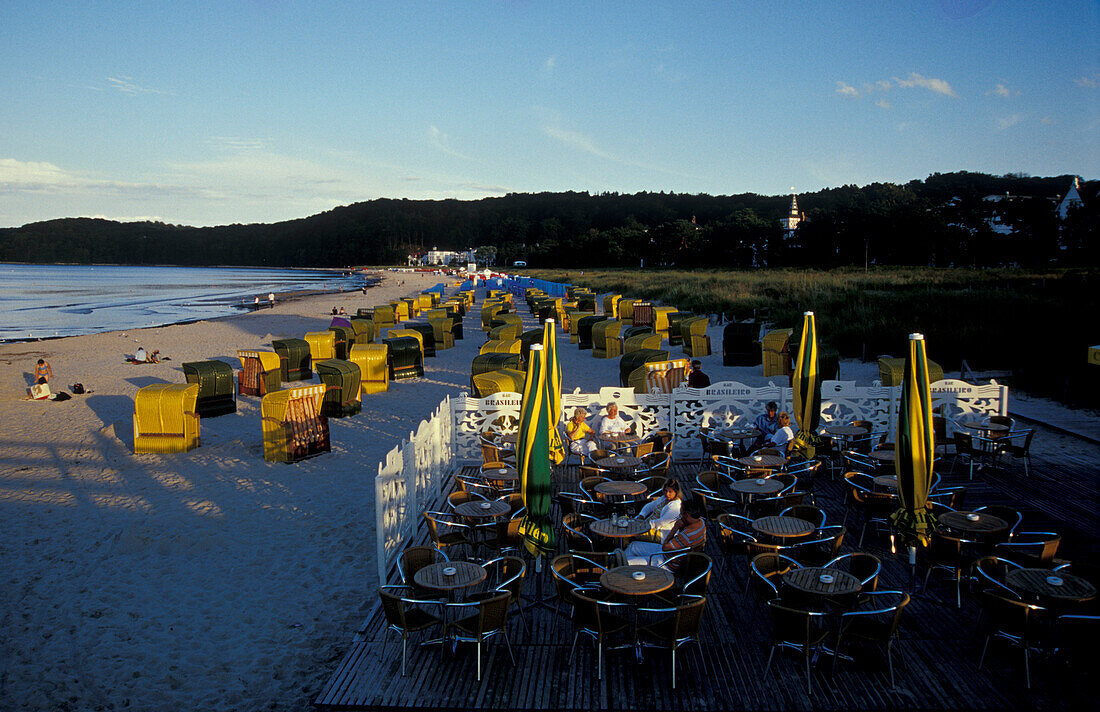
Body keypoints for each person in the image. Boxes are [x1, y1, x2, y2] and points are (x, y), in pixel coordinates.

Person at [625, 496, 706, 566]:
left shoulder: (686, 535)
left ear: (687, 515)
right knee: (633, 546)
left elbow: (665, 547)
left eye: (681, 514)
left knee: (626, 561)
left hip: (666, 562)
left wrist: (675, 528)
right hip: (671, 553)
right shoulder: (701, 522)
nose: (680, 516)